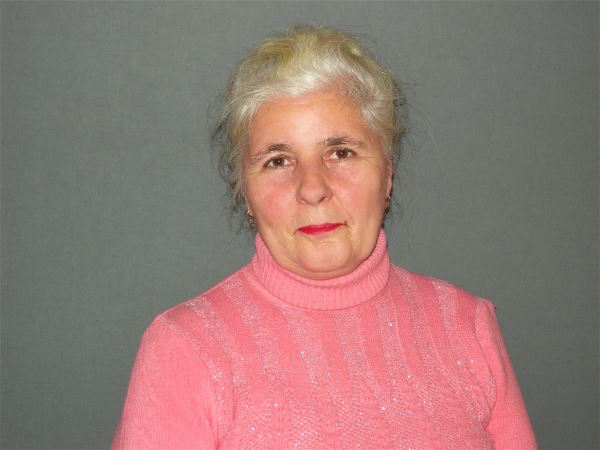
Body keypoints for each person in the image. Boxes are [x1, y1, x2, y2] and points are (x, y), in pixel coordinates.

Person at [112, 25, 537, 449]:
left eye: (341, 152)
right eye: (278, 161)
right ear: (246, 194)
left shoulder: (468, 328)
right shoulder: (185, 350)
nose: (312, 188)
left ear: (387, 175)